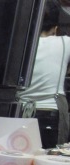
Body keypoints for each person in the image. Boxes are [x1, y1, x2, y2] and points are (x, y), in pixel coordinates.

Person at [18, 0, 70, 148]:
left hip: (18, 113)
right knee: (45, 161)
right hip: (49, 114)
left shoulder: (21, 43)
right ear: (55, 28)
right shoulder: (64, 43)